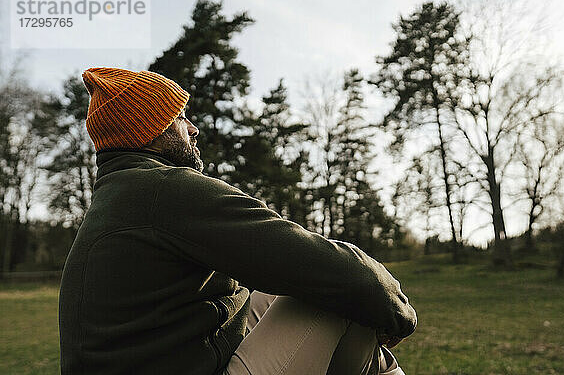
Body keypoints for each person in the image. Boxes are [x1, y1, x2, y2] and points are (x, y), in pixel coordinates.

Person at [58, 67, 417, 375]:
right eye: (180, 117)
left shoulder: (120, 195)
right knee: (333, 292)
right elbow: (332, 270)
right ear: (150, 130)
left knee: (294, 292)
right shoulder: (163, 191)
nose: (193, 128)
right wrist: (395, 309)